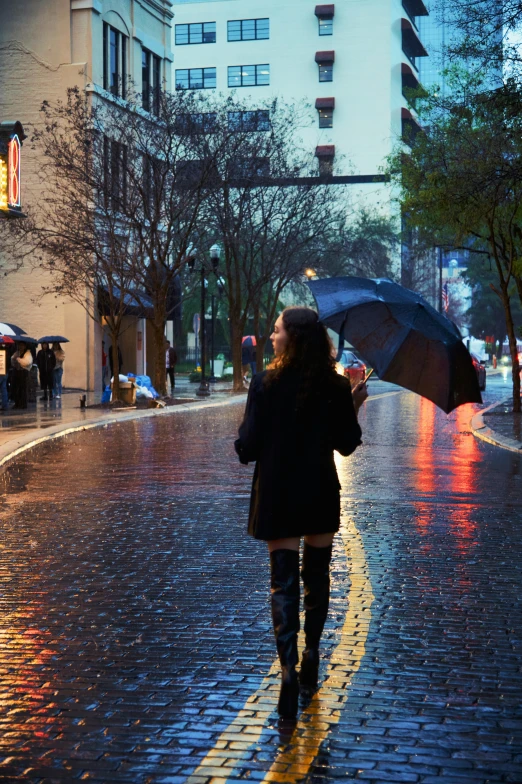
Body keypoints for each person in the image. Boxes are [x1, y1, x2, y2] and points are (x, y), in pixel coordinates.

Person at [235, 307, 368, 719]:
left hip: (278, 493)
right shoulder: (333, 385)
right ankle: (312, 651)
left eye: (275, 331)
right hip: (318, 491)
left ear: (291, 337)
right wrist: (353, 403)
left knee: (283, 584)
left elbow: (247, 449)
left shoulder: (265, 383)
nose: (271, 337)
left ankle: (288, 671)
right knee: (317, 578)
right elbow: (347, 445)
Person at [10, 341, 33, 409]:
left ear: (25, 346)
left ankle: (23, 404)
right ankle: (17, 403)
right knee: (16, 388)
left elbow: (27, 362)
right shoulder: (17, 352)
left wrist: (19, 359)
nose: (20, 347)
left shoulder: (27, 353)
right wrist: (14, 359)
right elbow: (12, 360)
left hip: (24, 372)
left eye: (22, 345)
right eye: (19, 345)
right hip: (17, 372)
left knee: (23, 389)